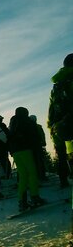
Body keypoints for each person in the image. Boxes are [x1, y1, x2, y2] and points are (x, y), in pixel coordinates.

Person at [9, 107, 46, 211]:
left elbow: (10, 137)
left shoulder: (13, 123)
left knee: (23, 175)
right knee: (32, 173)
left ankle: (22, 201)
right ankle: (34, 196)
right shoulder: (27, 122)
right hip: (26, 150)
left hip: (16, 152)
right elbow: (34, 137)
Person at [49, 53, 73, 189]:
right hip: (70, 124)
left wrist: (52, 127)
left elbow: (51, 110)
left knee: (62, 157)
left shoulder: (57, 85)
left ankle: (63, 180)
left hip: (58, 127)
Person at [30, 115, 48, 181]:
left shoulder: (28, 127)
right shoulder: (38, 126)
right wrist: (43, 142)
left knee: (34, 161)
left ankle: (37, 175)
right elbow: (42, 135)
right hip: (38, 145)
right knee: (40, 160)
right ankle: (42, 175)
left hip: (31, 147)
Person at [0, 115, 13, 179]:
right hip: (4, 147)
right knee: (4, 160)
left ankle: (4, 174)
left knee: (1, 161)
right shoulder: (4, 127)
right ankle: (7, 173)